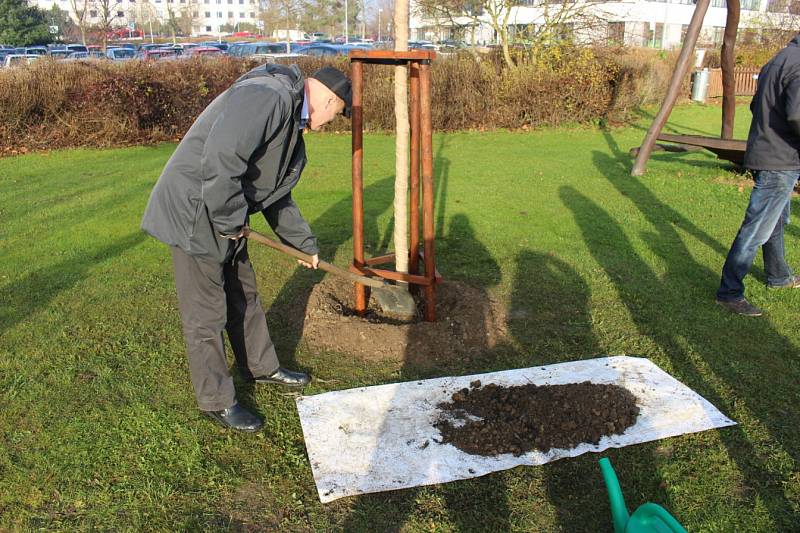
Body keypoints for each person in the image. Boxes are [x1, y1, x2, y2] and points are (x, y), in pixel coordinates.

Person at [141, 64, 351, 431]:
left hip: (225, 212)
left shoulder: (290, 126)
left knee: (244, 293)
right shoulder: (268, 96)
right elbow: (221, 159)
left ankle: (260, 367)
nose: (334, 121)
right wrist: (228, 220)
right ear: (330, 99)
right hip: (197, 210)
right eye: (337, 114)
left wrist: (304, 245)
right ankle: (217, 400)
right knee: (206, 314)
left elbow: (274, 196)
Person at [716, 35, 800, 317]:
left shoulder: (778, 59)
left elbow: (756, 106)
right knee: (757, 228)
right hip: (780, 157)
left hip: (766, 151)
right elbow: (797, 116)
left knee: (776, 220)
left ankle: (779, 276)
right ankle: (729, 293)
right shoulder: (798, 64)